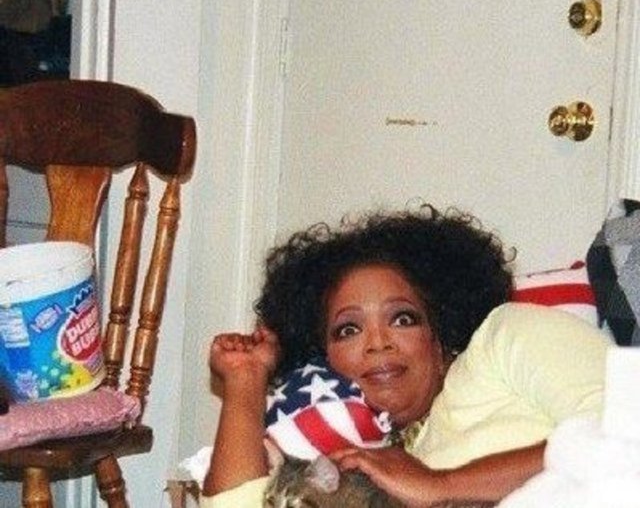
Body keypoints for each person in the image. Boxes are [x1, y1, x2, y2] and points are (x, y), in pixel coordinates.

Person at [200, 205, 612, 507]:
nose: (377, 342)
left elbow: (626, 430)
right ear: (327, 360)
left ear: (440, 331)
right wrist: (245, 379)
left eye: (402, 318)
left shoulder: (508, 333)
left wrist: (442, 485)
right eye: (348, 329)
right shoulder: (369, 461)